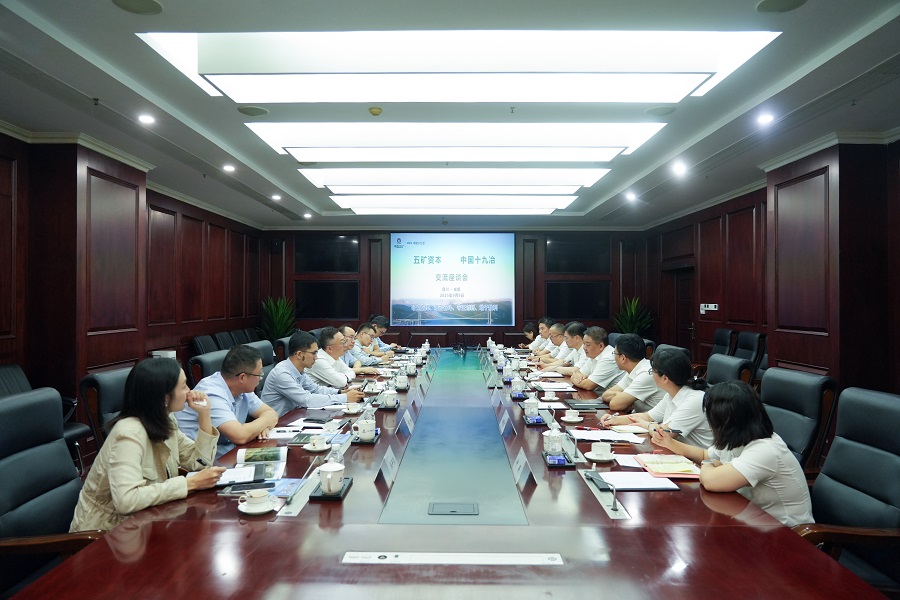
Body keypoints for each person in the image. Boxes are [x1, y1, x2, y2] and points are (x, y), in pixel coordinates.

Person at [70, 358, 225, 532]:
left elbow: (200, 463)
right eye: (183, 386)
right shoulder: (128, 433)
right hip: (106, 533)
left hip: (147, 522)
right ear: (164, 397)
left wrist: (204, 415)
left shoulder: (165, 419)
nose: (190, 391)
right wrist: (189, 484)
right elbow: (126, 501)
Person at [651, 381, 813, 527]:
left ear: (724, 422)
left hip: (787, 533)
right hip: (752, 521)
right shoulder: (739, 435)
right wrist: (669, 443)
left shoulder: (765, 449)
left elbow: (710, 481)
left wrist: (709, 465)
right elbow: (704, 455)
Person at [176, 344, 279, 459]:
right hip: (197, 460)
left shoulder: (242, 389)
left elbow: (272, 414)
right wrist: (262, 424)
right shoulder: (212, 393)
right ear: (242, 377)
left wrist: (261, 427)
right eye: (259, 374)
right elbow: (240, 436)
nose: (260, 378)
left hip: (225, 454)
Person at [601, 347, 713, 449]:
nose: (651, 375)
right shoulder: (671, 394)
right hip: (674, 452)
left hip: (696, 461)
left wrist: (648, 425)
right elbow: (647, 416)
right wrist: (615, 420)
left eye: (652, 371)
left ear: (664, 378)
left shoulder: (694, 400)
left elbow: (663, 434)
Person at [261, 330, 365, 417]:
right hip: (279, 423)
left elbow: (315, 389)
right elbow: (307, 400)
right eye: (314, 353)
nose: (316, 357)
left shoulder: (299, 370)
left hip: (296, 416)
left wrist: (341, 392)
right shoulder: (282, 374)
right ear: (299, 354)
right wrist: (345, 397)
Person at [600, 333, 665, 412]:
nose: (614, 357)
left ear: (623, 358)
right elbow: (605, 395)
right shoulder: (633, 370)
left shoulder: (646, 373)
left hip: (653, 419)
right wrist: (623, 396)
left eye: (615, 353)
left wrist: (623, 397)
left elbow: (615, 404)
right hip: (639, 416)